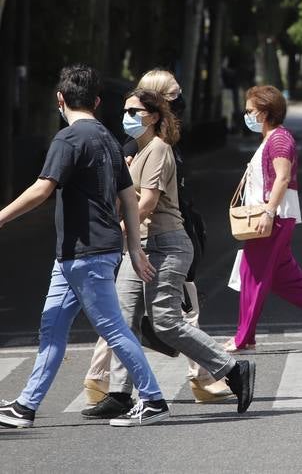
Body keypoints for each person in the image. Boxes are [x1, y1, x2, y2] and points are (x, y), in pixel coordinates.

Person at [0, 66, 168, 428]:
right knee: (52, 328)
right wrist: (135, 249)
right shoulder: (108, 138)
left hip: (87, 253)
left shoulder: (69, 139)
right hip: (78, 255)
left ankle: (153, 398)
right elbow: (127, 195)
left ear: (60, 100)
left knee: (113, 329)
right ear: (96, 101)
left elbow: (42, 189)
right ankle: (25, 407)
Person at [84, 88, 256, 420]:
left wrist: (112, 234)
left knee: (165, 321)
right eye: (125, 111)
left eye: (135, 112)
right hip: (140, 244)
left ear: (155, 117)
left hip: (166, 245)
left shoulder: (159, 150)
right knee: (122, 319)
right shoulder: (136, 151)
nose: (128, 117)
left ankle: (233, 369)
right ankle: (120, 393)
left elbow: (146, 204)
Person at [229, 85, 302, 353]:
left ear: (265, 111)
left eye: (250, 111)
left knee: (252, 275)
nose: (246, 115)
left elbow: (282, 177)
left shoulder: (279, 139)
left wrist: (269, 212)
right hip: (274, 216)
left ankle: (244, 337)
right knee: (284, 278)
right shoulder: (272, 137)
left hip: (273, 217)